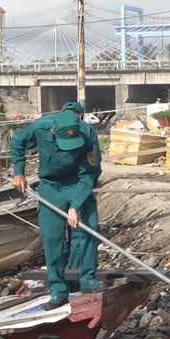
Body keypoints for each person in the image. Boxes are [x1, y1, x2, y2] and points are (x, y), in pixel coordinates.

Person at [11, 101, 103, 310]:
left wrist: (76, 205)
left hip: (78, 182)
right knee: (53, 238)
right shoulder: (40, 127)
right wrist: (18, 171)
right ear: (53, 132)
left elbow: (91, 172)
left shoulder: (88, 133)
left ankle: (86, 279)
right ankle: (58, 290)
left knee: (88, 230)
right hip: (51, 187)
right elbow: (17, 142)